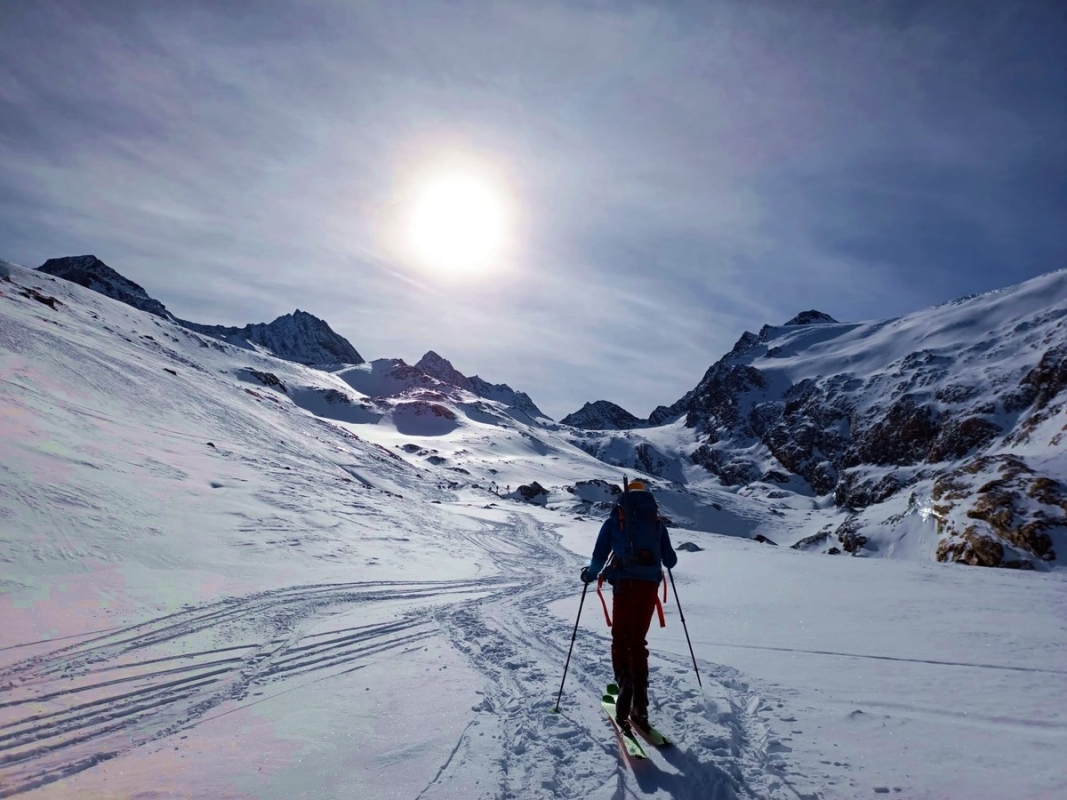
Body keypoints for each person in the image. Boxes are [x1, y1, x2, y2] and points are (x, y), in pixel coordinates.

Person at [581, 480, 677, 733]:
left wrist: (590, 574)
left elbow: (600, 555)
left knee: (620, 639)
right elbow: (671, 559)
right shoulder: (656, 524)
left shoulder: (615, 521)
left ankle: (624, 682)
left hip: (624, 584)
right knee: (638, 641)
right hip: (649, 587)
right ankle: (640, 705)